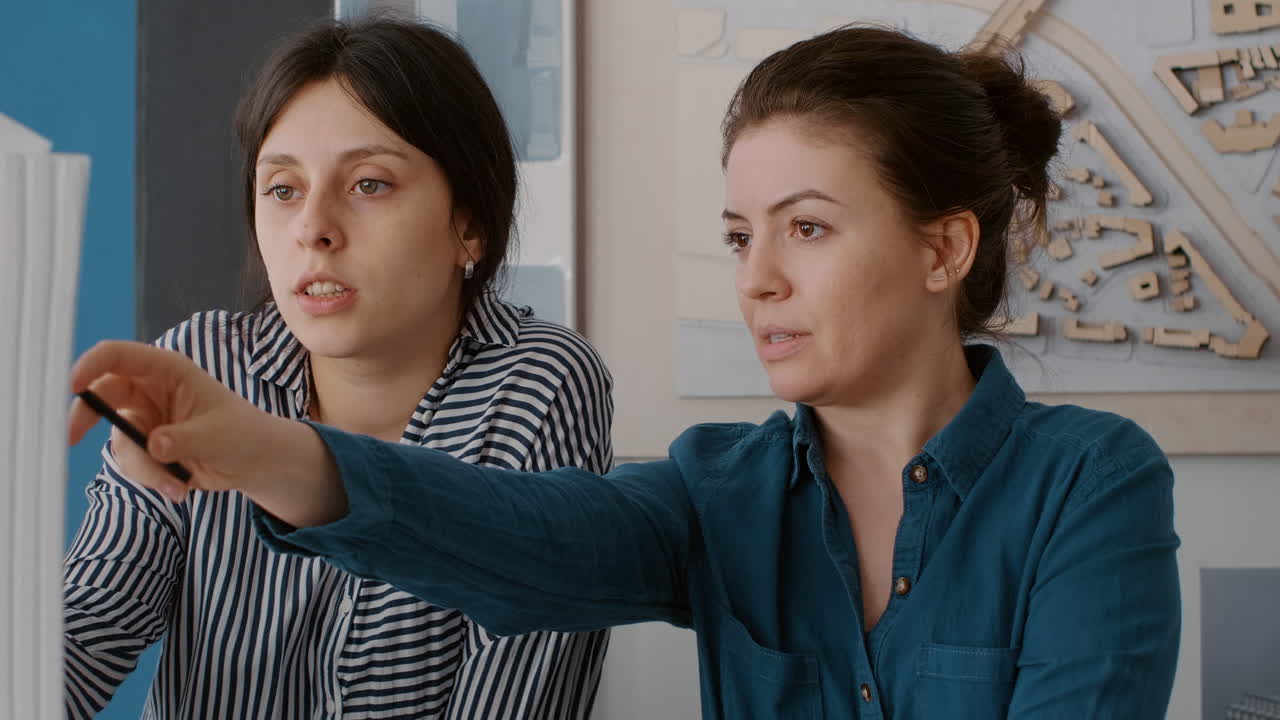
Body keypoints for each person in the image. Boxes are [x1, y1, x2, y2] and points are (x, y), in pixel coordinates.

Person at [69, 25, 1182, 719]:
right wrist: (255, 446)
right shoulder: (718, 492)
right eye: (740, 238)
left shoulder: (1088, 482)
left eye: (805, 228)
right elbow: (510, 537)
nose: (756, 281)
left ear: (943, 250)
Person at [62, 16, 613, 720]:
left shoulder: (538, 383)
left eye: (369, 184)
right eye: (283, 189)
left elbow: (519, 692)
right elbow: (87, 629)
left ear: (469, 224)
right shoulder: (201, 366)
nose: (312, 227)